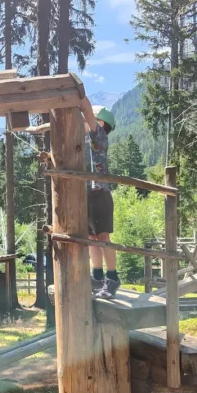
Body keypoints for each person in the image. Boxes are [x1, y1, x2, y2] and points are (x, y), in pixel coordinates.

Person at [81, 102, 119, 299]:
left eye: (88, 117)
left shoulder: (99, 136)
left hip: (100, 192)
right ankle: (96, 277)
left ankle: (112, 279)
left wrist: (80, 99)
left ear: (100, 122)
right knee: (91, 239)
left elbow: (86, 110)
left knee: (102, 237)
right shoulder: (85, 139)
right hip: (87, 193)